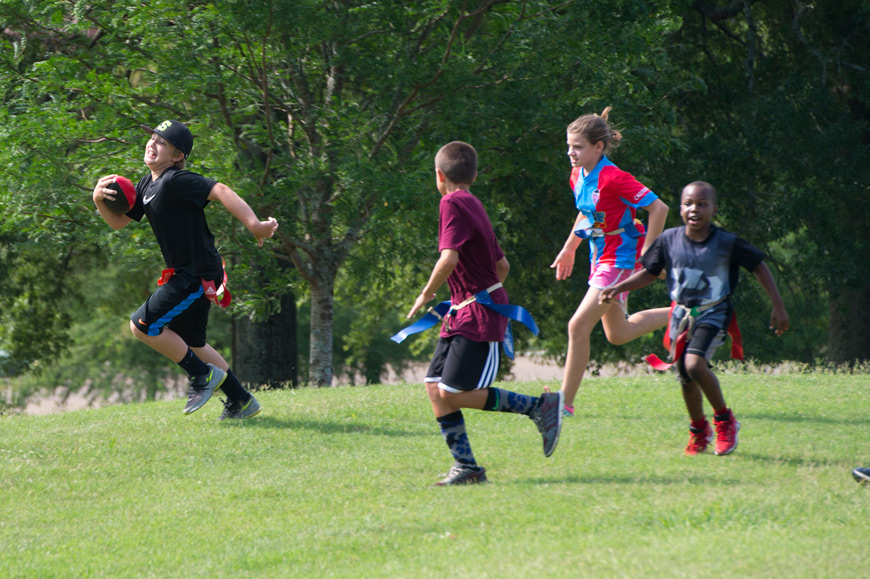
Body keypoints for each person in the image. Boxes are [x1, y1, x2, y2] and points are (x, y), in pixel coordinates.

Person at [92, 120, 279, 420]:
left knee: (141, 325)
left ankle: (201, 376)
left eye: (162, 143)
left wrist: (254, 224)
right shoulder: (147, 184)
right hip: (192, 272)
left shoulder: (176, 180)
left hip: (195, 273)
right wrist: (98, 200)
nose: (152, 144)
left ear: (177, 156)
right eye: (152, 138)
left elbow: (220, 189)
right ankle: (241, 401)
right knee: (193, 343)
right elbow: (119, 222)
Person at [407, 141, 563, 486]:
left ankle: (538, 407)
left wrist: (428, 293)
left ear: (439, 175)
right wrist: (475, 293)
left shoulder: (450, 203)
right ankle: (467, 468)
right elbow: (501, 265)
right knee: (435, 386)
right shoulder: (472, 202)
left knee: (452, 391)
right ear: (474, 175)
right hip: (465, 311)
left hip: (477, 314)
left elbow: (448, 259)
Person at [600, 181, 790, 455]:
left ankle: (725, 420)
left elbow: (758, 265)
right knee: (686, 378)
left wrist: (778, 305)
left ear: (714, 208)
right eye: (688, 203)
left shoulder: (726, 242)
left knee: (695, 365)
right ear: (680, 208)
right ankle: (699, 431)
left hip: (714, 311)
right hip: (681, 314)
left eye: (702, 204)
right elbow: (650, 272)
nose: (694, 209)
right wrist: (619, 287)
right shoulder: (669, 240)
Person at [550, 107, 670, 417]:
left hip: (620, 259)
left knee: (577, 325)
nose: (570, 153)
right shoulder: (577, 175)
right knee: (618, 334)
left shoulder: (616, 177)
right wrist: (570, 248)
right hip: (599, 256)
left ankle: (565, 403)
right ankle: (686, 313)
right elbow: (587, 213)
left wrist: (650, 254)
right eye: (568, 146)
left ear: (598, 147)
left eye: (577, 147)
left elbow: (659, 208)